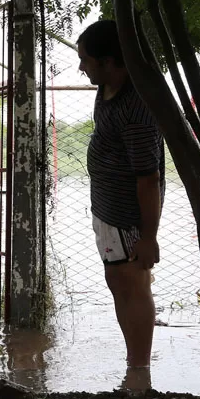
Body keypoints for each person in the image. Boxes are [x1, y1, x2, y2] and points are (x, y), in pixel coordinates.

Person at [77, 20, 165, 369]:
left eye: (86, 59)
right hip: (108, 211)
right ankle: (135, 364)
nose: (81, 66)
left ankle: (139, 369)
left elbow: (148, 178)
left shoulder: (136, 108)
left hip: (128, 215)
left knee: (133, 284)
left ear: (110, 60)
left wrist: (149, 236)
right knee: (119, 281)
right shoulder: (109, 88)